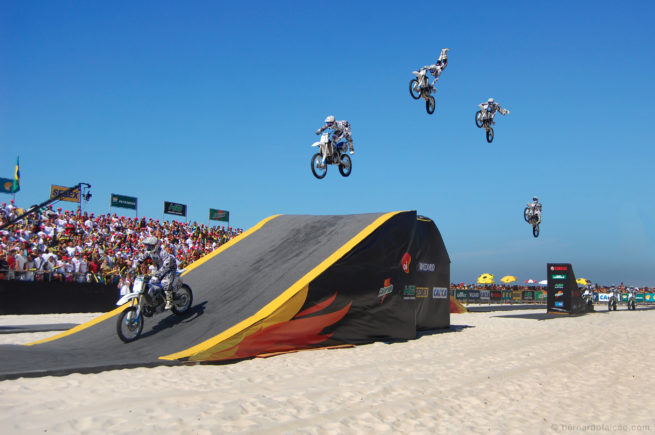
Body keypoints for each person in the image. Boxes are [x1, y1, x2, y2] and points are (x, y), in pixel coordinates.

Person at [134, 236, 178, 310]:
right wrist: (135, 265)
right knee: (151, 282)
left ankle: (169, 301)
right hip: (159, 269)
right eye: (147, 246)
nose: (148, 247)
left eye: (150, 246)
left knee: (165, 282)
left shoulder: (162, 253)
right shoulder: (149, 252)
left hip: (170, 269)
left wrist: (159, 273)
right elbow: (141, 259)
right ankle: (156, 299)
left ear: (155, 245)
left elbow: (167, 264)